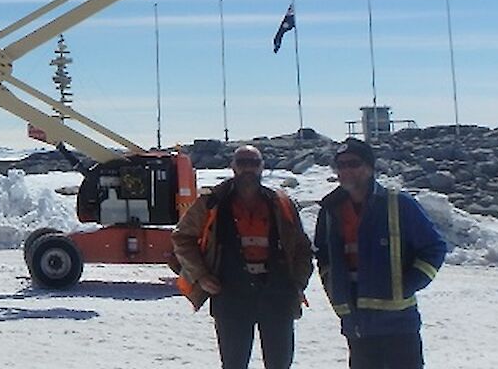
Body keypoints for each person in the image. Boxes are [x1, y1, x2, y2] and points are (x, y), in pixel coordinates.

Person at [172, 145, 314, 369]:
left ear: (262, 167)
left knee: (280, 362)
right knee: (234, 363)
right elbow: (182, 237)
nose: (248, 168)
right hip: (230, 292)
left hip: (277, 293)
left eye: (254, 163)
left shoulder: (281, 203)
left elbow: (303, 248)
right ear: (233, 167)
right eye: (243, 163)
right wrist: (201, 276)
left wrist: (297, 283)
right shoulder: (213, 202)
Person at [314, 139, 448, 369]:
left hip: (398, 323)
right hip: (356, 322)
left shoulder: (398, 204)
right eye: (341, 165)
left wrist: (406, 285)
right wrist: (334, 289)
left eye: (353, 164)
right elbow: (324, 257)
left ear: (369, 167)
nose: (346, 170)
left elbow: (434, 248)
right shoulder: (330, 209)